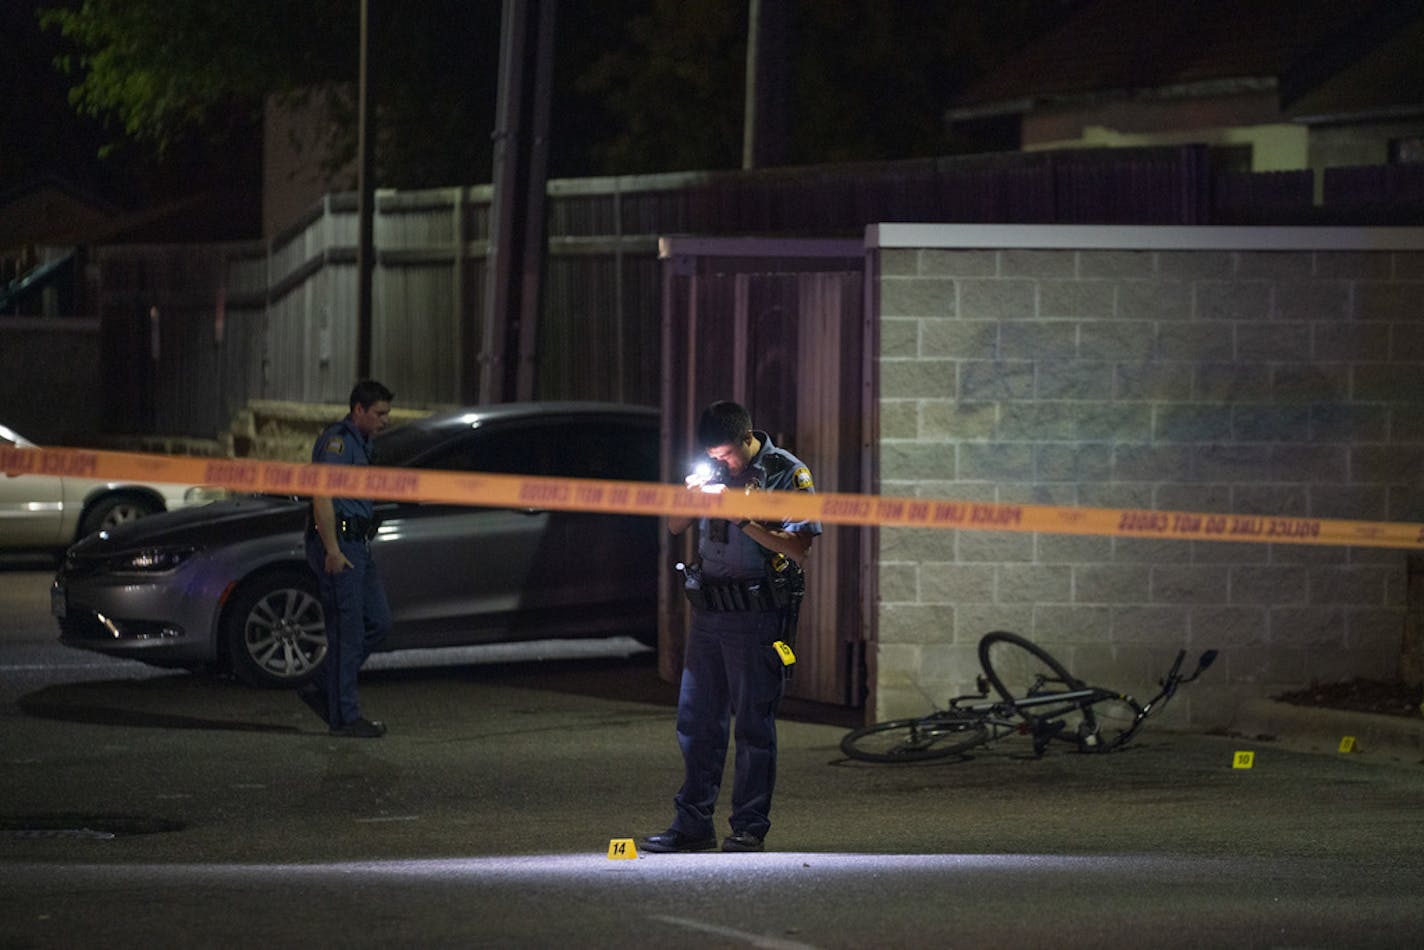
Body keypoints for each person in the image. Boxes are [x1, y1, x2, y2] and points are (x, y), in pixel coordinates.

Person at [641, 400, 820, 853]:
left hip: (757, 613)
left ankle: (749, 826)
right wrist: (691, 495)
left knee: (753, 727)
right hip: (710, 612)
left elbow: (799, 548)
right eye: (713, 457)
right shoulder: (713, 472)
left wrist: (742, 517)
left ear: (747, 438)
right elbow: (675, 526)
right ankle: (693, 823)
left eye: (725, 455)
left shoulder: (785, 473)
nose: (721, 463)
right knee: (697, 722)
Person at [298, 379, 395, 738]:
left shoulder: (363, 442)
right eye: (379, 413)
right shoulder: (338, 442)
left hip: (358, 543)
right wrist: (333, 550)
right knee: (347, 633)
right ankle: (345, 718)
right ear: (359, 410)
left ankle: (324, 684)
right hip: (340, 543)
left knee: (378, 622)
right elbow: (322, 496)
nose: (385, 420)